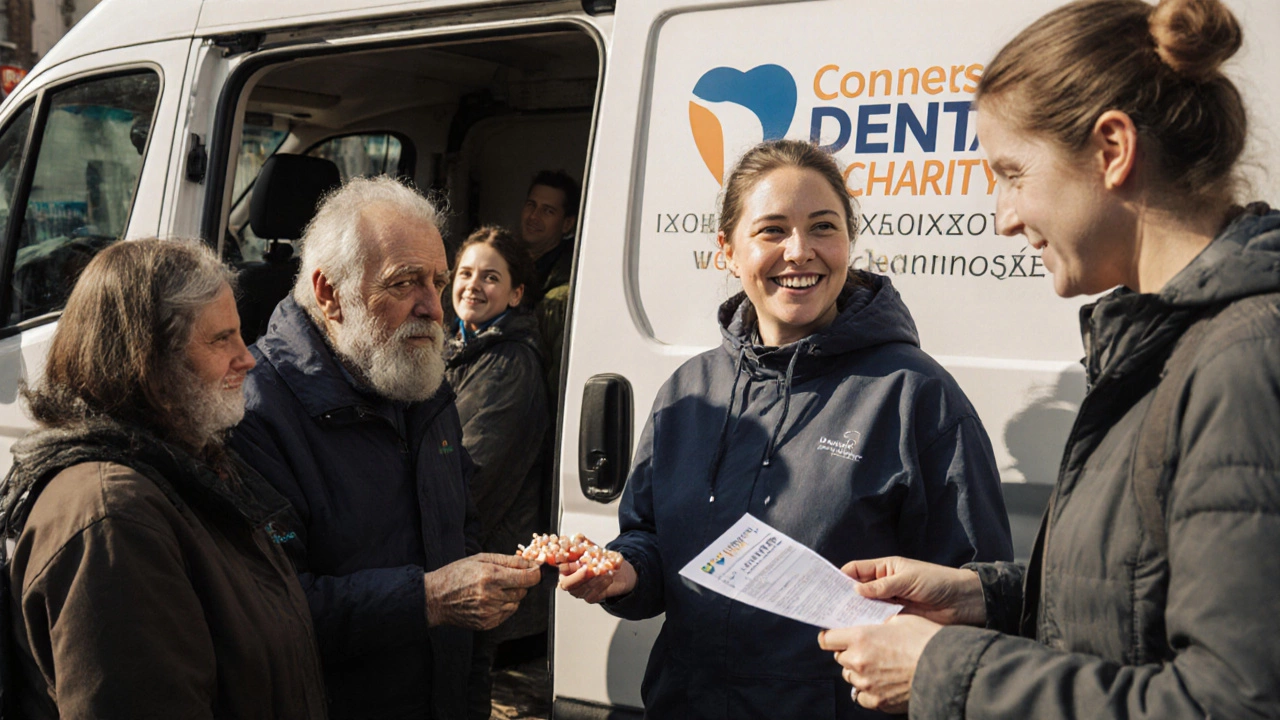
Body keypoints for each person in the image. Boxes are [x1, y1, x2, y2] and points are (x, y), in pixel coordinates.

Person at [818, 0, 1280, 717]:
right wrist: (984, 596)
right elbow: (1137, 606)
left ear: (1113, 150)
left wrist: (946, 671)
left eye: (1011, 172)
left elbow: (1230, 701)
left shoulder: (1242, 360)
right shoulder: (1173, 342)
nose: (1003, 217)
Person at [560, 139, 1014, 719]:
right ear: (727, 250)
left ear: (848, 242)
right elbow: (649, 537)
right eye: (772, 230)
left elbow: (975, 596)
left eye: (823, 227)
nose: (800, 252)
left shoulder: (915, 396)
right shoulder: (688, 391)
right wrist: (624, 573)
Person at [228, 177, 542, 720]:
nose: (434, 308)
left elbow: (462, 532)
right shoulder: (255, 413)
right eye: (405, 283)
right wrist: (427, 598)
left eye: (438, 282)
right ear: (329, 293)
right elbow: (266, 611)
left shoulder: (419, 378)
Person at [0, 239, 327, 719]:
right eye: (221, 339)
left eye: (241, 334)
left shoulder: (187, 464)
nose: (248, 358)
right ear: (148, 361)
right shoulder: (113, 518)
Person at [445, 226, 551, 719]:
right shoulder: (467, 347)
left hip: (494, 590)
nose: (473, 285)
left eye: (491, 277)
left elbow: (471, 478)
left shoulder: (508, 363)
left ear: (516, 293)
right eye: (465, 273)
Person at [519, 170, 581, 401]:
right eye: (531, 205)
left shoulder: (566, 288)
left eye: (548, 211)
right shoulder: (502, 262)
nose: (534, 216)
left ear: (567, 224)